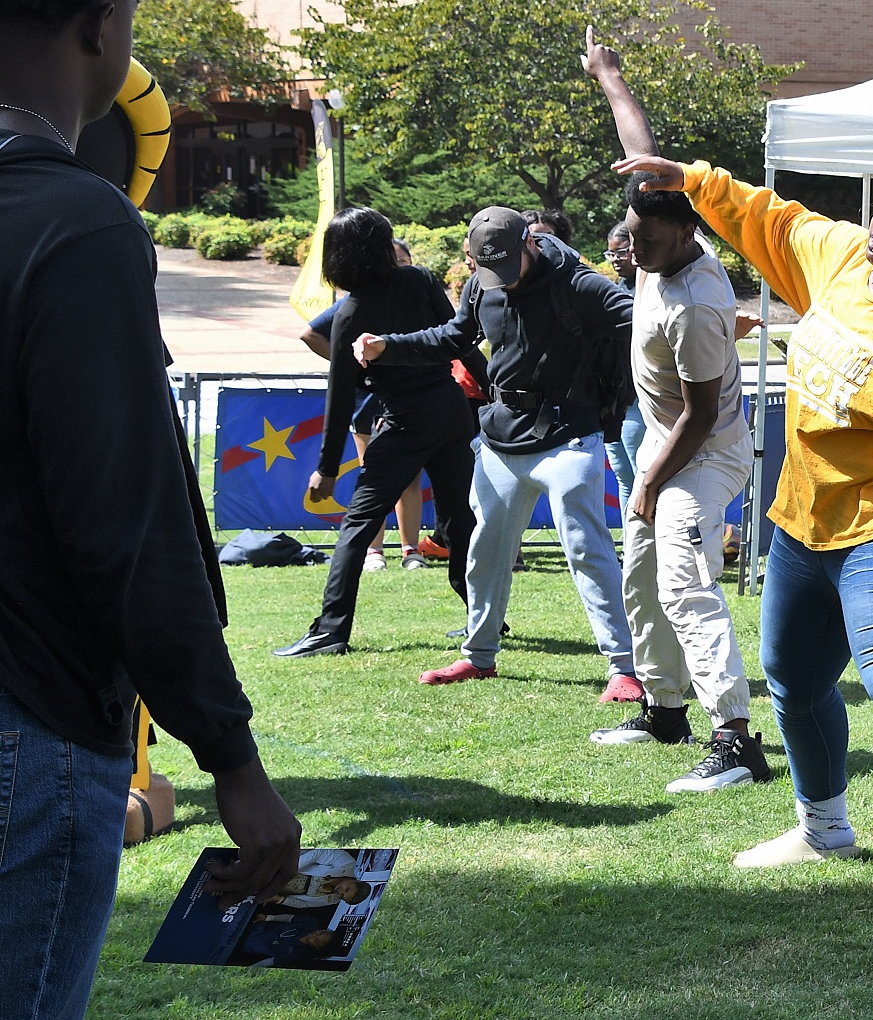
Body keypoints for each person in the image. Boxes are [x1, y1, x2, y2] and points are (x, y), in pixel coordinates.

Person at [0, 0, 300, 1020]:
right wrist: (233, 760)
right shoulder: (77, 222)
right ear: (101, 20)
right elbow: (128, 523)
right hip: (11, 734)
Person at [601, 47, 873, 939]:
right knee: (794, 676)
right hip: (810, 515)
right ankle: (823, 827)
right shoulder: (837, 254)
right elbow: (762, 212)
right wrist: (685, 175)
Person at [356, 206, 643, 702]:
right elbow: (452, 337)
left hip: (570, 434)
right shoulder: (481, 285)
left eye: (508, 270)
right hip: (500, 438)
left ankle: (624, 667)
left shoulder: (578, 284)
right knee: (485, 548)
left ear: (530, 243)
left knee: (585, 547)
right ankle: (478, 656)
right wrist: (389, 346)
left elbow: (646, 320)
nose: (500, 283)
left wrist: (715, 328)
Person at [589, 174, 771, 794]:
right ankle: (665, 712)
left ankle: (736, 740)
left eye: (648, 243)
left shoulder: (693, 301)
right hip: (664, 452)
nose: (633, 253)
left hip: (704, 456)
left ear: (688, 234)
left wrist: (647, 485)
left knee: (686, 587)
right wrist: (609, 74)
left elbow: (697, 418)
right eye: (630, 236)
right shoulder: (656, 246)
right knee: (640, 579)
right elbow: (643, 161)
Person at [273, 208, 483, 658]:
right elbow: (458, 340)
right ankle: (484, 619)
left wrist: (327, 470)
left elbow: (340, 400)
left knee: (359, 524)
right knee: (458, 521)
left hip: (406, 418)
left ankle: (330, 630)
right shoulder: (421, 280)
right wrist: (492, 389)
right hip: (450, 409)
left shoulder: (350, 314)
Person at [300, 244, 429, 571]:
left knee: (410, 477)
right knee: (371, 473)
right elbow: (310, 334)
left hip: (410, 399)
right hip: (368, 402)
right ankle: (374, 551)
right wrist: (348, 364)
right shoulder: (356, 302)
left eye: (405, 261)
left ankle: (410, 549)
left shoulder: (417, 299)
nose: (400, 267)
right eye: (394, 260)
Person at [601, 220, 649, 516]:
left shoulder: (650, 289)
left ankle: (651, 551)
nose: (616, 260)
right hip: (615, 397)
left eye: (621, 253)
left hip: (639, 400)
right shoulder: (613, 290)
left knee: (643, 476)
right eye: (611, 255)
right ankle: (631, 549)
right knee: (624, 478)